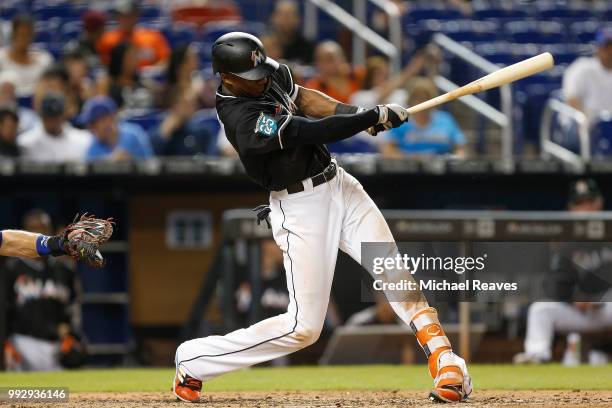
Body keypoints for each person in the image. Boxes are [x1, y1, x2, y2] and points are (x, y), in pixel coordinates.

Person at [172, 32, 471, 404]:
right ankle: (196, 359)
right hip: (299, 207)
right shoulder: (240, 118)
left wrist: (353, 114)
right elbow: (303, 130)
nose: (262, 80)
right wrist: (366, 118)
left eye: (262, 71)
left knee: (394, 271)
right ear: (226, 77)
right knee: (304, 328)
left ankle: (447, 361)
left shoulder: (268, 73)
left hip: (338, 184)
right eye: (251, 78)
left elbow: (309, 101)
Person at [513, 179, 612, 365]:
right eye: (579, 203)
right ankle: (536, 355)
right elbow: (556, 285)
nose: (585, 209)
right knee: (540, 309)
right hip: (582, 311)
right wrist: (574, 298)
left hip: (608, 306)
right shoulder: (565, 242)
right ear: (571, 209)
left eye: (589, 202)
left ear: (599, 203)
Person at [2, 210, 82, 371]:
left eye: (43, 228)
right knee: (17, 395)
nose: (38, 232)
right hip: (22, 342)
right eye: (32, 229)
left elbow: (72, 307)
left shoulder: (63, 270)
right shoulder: (12, 269)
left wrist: (72, 335)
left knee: (59, 395)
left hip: (55, 347)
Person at [382, 77, 467, 158]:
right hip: (408, 169)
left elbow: (461, 147)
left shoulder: (445, 120)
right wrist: (405, 159)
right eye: (417, 98)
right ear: (410, 100)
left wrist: (457, 158)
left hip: (440, 169)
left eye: (426, 98)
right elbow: (388, 150)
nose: (421, 101)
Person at [18, 92, 93, 162]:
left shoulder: (83, 140)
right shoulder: (26, 143)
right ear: (42, 116)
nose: (52, 121)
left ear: (63, 115)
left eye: (56, 116)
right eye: (49, 117)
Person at [97, 0, 171, 69]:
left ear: (136, 16)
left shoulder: (153, 37)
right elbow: (102, 64)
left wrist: (151, 71)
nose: (126, 19)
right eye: (122, 16)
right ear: (117, 17)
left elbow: (166, 60)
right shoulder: (107, 40)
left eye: (130, 16)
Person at [80, 96, 153, 161]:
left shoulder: (133, 136)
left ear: (109, 119)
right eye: (88, 125)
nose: (91, 129)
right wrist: (111, 160)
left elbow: (149, 166)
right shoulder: (93, 146)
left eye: (93, 123)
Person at [563, 27, 612, 121]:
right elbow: (572, 100)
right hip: (584, 124)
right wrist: (586, 125)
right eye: (607, 48)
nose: (611, 52)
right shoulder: (582, 68)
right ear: (598, 48)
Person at [0, 15, 53, 97]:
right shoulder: (1, 58)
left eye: (28, 35)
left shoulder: (44, 60)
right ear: (13, 34)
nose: (24, 39)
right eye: (20, 35)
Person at [97, 42, 156, 110]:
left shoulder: (144, 82)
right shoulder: (106, 83)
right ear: (119, 59)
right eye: (131, 57)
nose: (136, 60)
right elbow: (102, 109)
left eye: (136, 56)